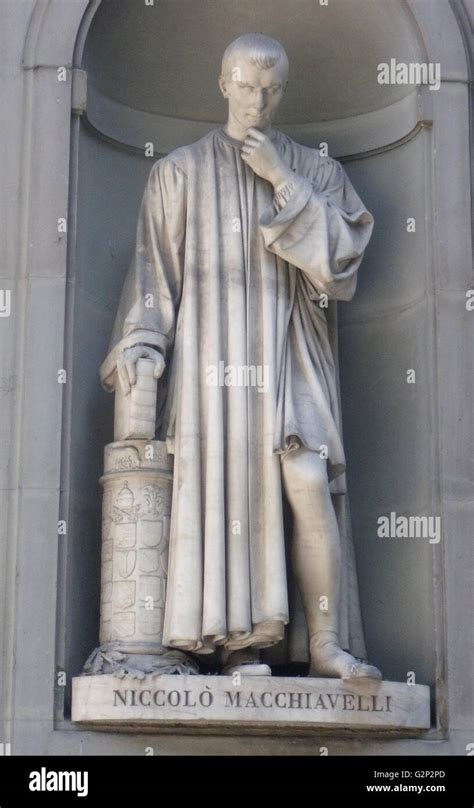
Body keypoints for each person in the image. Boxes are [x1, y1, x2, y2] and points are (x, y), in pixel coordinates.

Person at [100, 33, 381, 680]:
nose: (258, 99)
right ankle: (242, 646)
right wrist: (141, 351)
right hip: (212, 366)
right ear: (224, 83)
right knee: (232, 499)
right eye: (246, 84)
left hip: (292, 351)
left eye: (271, 87)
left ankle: (326, 644)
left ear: (282, 91)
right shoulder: (180, 172)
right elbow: (153, 282)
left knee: (309, 483)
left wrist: (282, 182)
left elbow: (340, 268)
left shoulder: (315, 171)